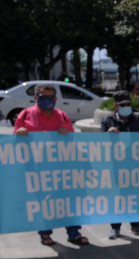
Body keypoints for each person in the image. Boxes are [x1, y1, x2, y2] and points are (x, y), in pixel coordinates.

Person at [14, 84, 89, 247]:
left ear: (55, 99)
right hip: (37, 167)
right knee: (44, 201)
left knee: (69, 201)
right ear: (35, 98)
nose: (47, 101)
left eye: (50, 98)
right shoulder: (25, 114)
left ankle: (73, 233)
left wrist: (66, 134)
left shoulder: (62, 116)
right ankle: (45, 233)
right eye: (43, 97)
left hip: (62, 167)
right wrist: (19, 133)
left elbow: (72, 140)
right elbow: (14, 140)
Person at [100, 91, 139, 239]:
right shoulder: (107, 120)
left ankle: (136, 225)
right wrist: (108, 134)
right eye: (123, 105)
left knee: (136, 196)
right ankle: (115, 227)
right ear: (116, 106)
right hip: (117, 165)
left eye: (128, 104)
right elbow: (99, 142)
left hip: (136, 164)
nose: (126, 107)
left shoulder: (138, 119)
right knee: (118, 197)